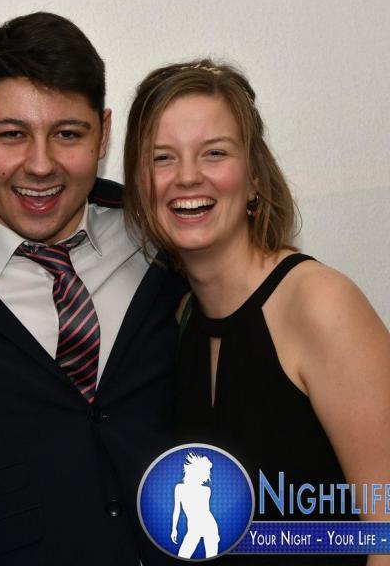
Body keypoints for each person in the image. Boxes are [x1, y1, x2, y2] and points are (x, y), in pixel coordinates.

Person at [0, 12, 188, 566]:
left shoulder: (166, 239)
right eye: (11, 135)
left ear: (104, 133)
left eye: (68, 134)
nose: (41, 165)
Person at [124, 60, 390, 565]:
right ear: (139, 187)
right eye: (162, 158)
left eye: (215, 153)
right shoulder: (178, 318)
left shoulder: (320, 304)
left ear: (253, 178)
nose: (187, 176)